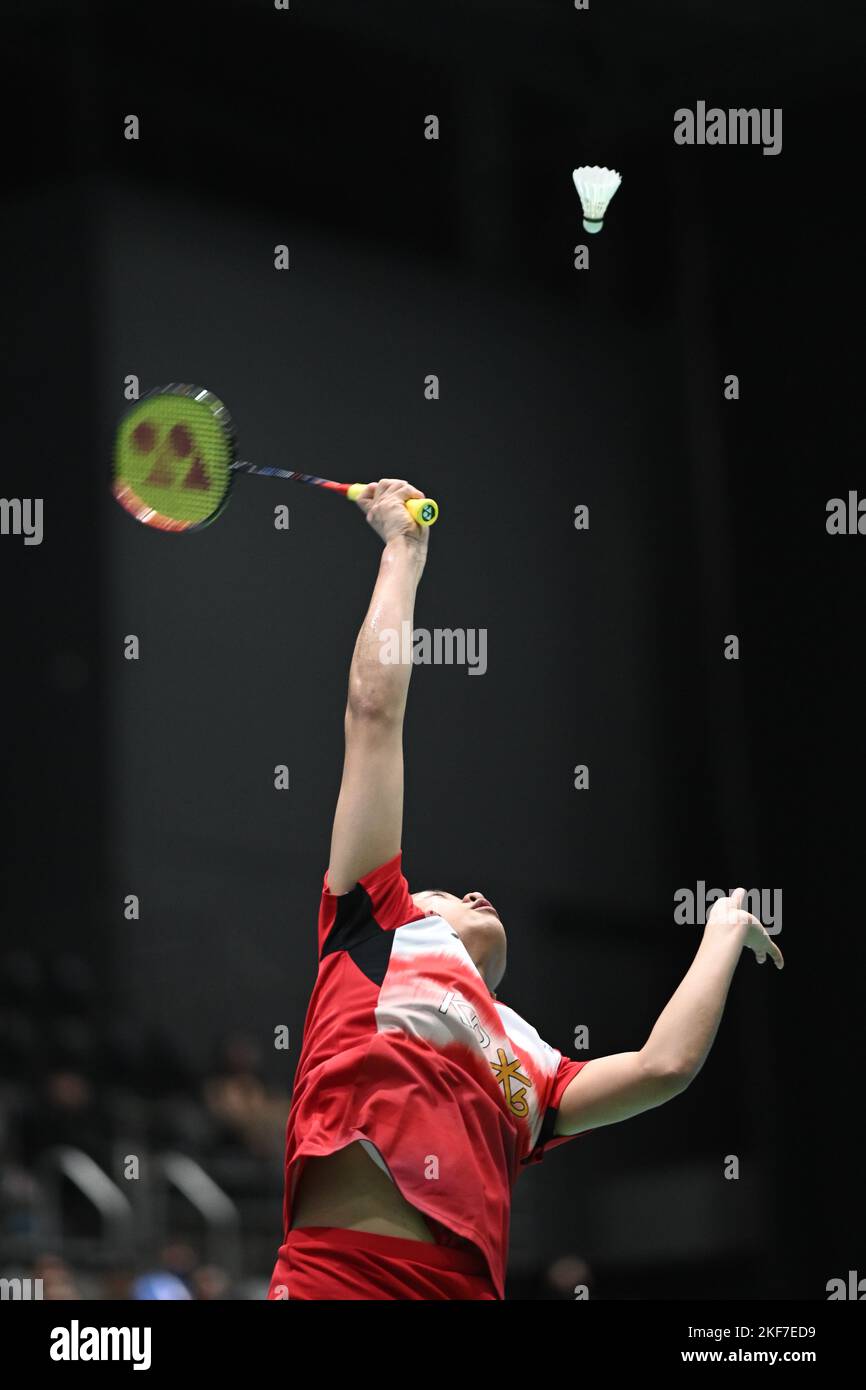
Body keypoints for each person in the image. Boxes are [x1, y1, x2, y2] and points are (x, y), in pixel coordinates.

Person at [268, 478, 783, 1301]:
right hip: (343, 1280)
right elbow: (373, 713)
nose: (472, 896)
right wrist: (404, 550)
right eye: (448, 896)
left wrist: (722, 931)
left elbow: (664, 1067)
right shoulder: (372, 927)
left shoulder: (532, 1065)